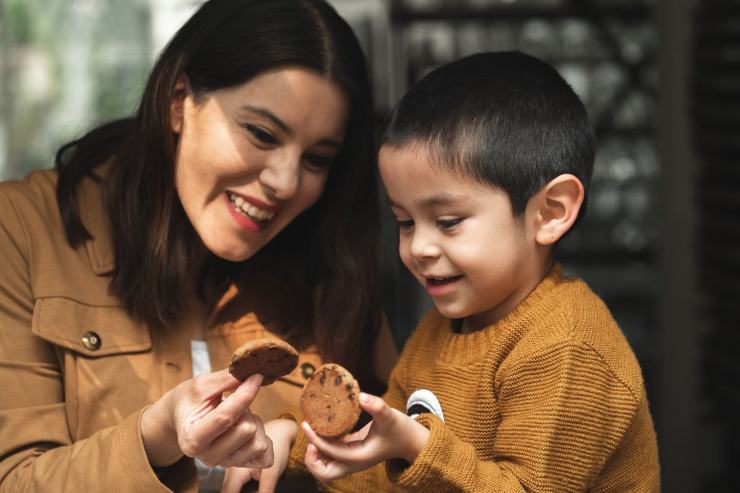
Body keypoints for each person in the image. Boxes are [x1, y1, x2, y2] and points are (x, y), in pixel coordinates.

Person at [0, 1, 397, 492]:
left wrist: (297, 448)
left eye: (316, 158)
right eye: (260, 133)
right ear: (178, 100)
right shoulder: (22, 230)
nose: (285, 182)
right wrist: (157, 436)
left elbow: (402, 455)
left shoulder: (332, 262)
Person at [238, 51, 661, 492]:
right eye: (404, 222)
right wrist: (294, 442)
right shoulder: (441, 329)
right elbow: (382, 471)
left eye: (448, 222)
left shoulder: (567, 347)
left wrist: (415, 446)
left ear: (550, 212)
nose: (418, 247)